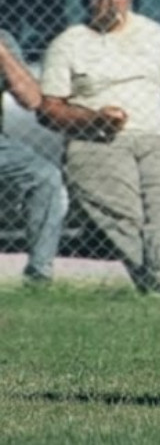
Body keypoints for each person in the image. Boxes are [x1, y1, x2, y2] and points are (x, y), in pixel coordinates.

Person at [38, 0, 160, 294]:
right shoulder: (68, 43)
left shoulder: (153, 34)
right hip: (97, 141)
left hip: (154, 138)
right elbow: (49, 110)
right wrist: (92, 119)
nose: (113, 1)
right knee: (126, 216)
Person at [0, 29, 67, 286]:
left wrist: (2, 52)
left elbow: (31, 99)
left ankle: (39, 276)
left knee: (45, 177)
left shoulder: (4, 39)